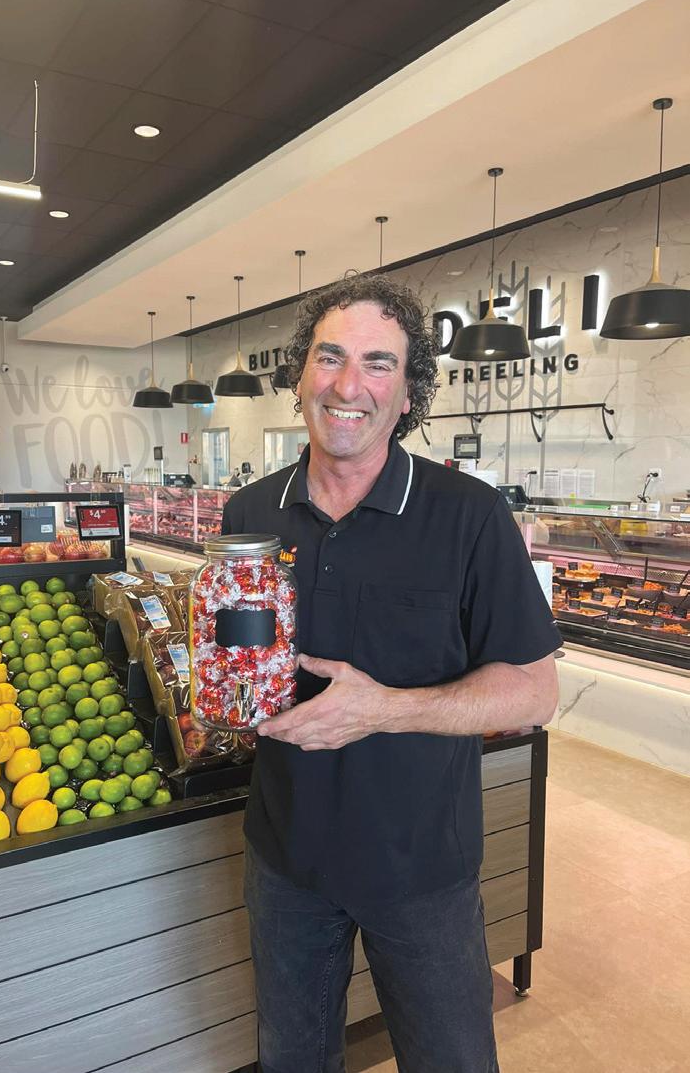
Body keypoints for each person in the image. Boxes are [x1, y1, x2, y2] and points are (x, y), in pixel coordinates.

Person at [221, 272, 561, 1072]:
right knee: (291, 1060)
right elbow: (241, 658)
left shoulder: (468, 514)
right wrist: (223, 692)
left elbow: (534, 690)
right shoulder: (248, 513)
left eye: (377, 363)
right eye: (328, 357)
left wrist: (382, 708)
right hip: (285, 859)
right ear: (299, 375)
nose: (347, 385)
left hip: (422, 869)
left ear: (408, 394)